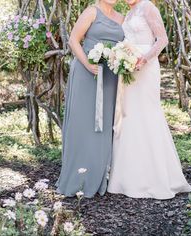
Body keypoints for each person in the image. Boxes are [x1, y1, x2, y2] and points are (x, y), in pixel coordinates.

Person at [107, 0, 191, 199]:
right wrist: (122, 57)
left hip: (146, 68)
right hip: (128, 70)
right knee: (129, 116)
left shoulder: (148, 7)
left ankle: (157, 178)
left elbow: (162, 40)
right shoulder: (127, 14)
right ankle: (127, 178)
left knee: (147, 114)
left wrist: (143, 59)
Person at [56, 0, 124, 197]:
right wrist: (88, 65)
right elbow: (73, 40)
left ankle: (97, 177)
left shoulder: (121, 18)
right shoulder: (91, 12)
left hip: (110, 76)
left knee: (103, 125)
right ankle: (76, 179)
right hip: (87, 73)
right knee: (83, 123)